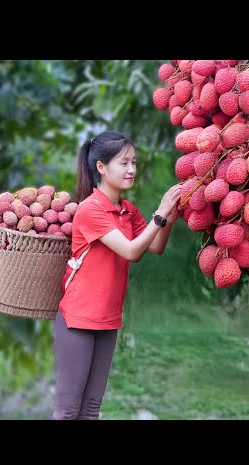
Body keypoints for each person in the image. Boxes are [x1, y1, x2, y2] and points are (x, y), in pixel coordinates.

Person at [52, 131, 181, 420]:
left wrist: (169, 219)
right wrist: (159, 215)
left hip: (107, 320)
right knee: (68, 411)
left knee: (91, 410)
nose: (132, 169)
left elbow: (155, 246)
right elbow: (132, 251)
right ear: (101, 167)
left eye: (134, 162)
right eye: (124, 163)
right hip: (78, 320)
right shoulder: (90, 209)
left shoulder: (127, 210)